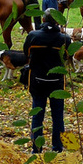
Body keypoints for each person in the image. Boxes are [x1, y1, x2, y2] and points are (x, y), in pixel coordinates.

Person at [23, 11, 72, 154]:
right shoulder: (64, 39)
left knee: (37, 116)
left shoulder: (33, 36)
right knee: (58, 117)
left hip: (37, 81)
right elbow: (68, 56)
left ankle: (36, 149)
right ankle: (57, 148)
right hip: (57, 82)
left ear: (43, 19)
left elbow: (26, 54)